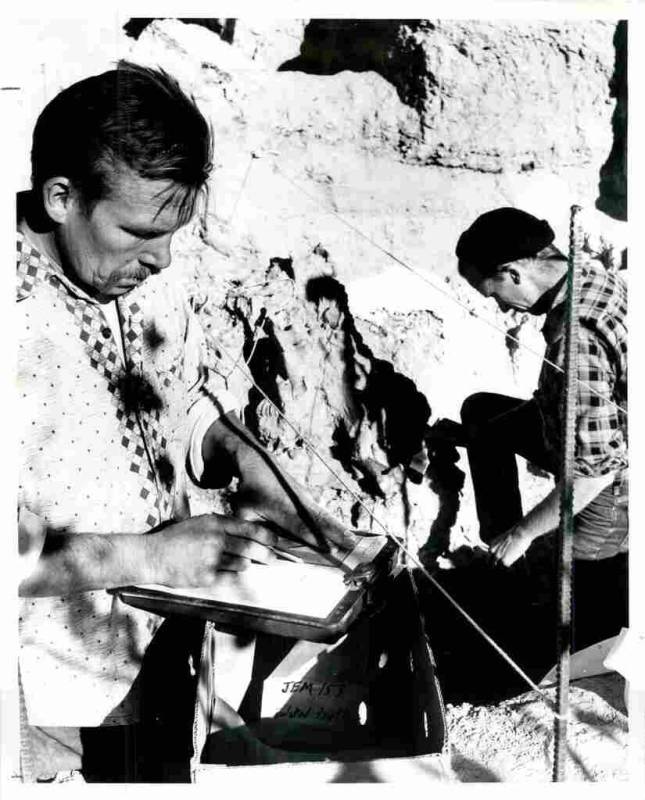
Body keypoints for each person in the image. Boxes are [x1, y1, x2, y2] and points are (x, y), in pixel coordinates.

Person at [17, 61, 354, 782]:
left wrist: (246, 459)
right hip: (43, 698)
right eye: (140, 231)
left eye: (175, 232)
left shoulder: (147, 281)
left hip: (161, 657)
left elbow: (181, 400)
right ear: (60, 197)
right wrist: (144, 558)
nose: (162, 258)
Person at [452, 207, 628, 650]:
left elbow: (595, 472)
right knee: (482, 415)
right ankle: (509, 565)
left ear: (512, 272)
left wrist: (525, 531)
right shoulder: (589, 277)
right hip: (583, 438)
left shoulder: (578, 338)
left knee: (572, 611)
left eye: (491, 293)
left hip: (613, 486)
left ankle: (535, 607)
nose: (496, 305)